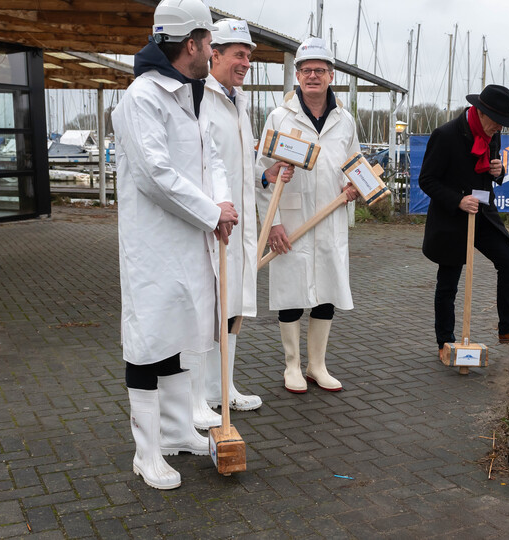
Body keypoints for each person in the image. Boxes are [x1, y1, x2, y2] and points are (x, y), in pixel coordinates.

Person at [112, 0, 238, 490]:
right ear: (192, 44)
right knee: (149, 342)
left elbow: (215, 162)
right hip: (156, 246)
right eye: (210, 42)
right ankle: (146, 452)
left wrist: (222, 207)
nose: (213, 51)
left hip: (194, 242)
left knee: (183, 337)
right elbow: (153, 175)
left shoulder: (193, 93)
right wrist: (211, 212)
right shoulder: (142, 97)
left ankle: (176, 432)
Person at [182, 19, 295, 427]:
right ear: (215, 55)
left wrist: (265, 176)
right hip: (210, 224)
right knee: (207, 310)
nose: (246, 62)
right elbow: (196, 165)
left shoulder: (239, 101)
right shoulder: (199, 97)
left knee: (233, 309)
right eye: (238, 54)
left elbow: (239, 165)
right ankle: (196, 397)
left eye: (249, 55)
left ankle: (221, 388)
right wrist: (212, 210)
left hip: (239, 224)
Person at [254, 37, 359, 394]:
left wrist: (354, 187)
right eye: (306, 70)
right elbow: (263, 173)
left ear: (331, 75)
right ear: (297, 75)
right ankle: (292, 366)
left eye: (320, 70)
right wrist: (274, 224)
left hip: (329, 217)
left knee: (326, 291)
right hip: (292, 220)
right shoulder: (280, 117)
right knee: (291, 294)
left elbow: (353, 165)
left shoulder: (345, 120)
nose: (313, 76)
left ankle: (317, 365)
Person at [417, 84, 509, 366]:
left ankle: (508, 327)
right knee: (448, 282)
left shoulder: (492, 135)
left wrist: (500, 172)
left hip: (483, 215)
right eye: (496, 122)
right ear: (481, 112)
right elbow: (427, 180)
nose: (499, 128)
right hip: (451, 219)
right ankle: (445, 342)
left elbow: (490, 170)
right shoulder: (446, 135)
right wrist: (458, 200)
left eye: (502, 124)